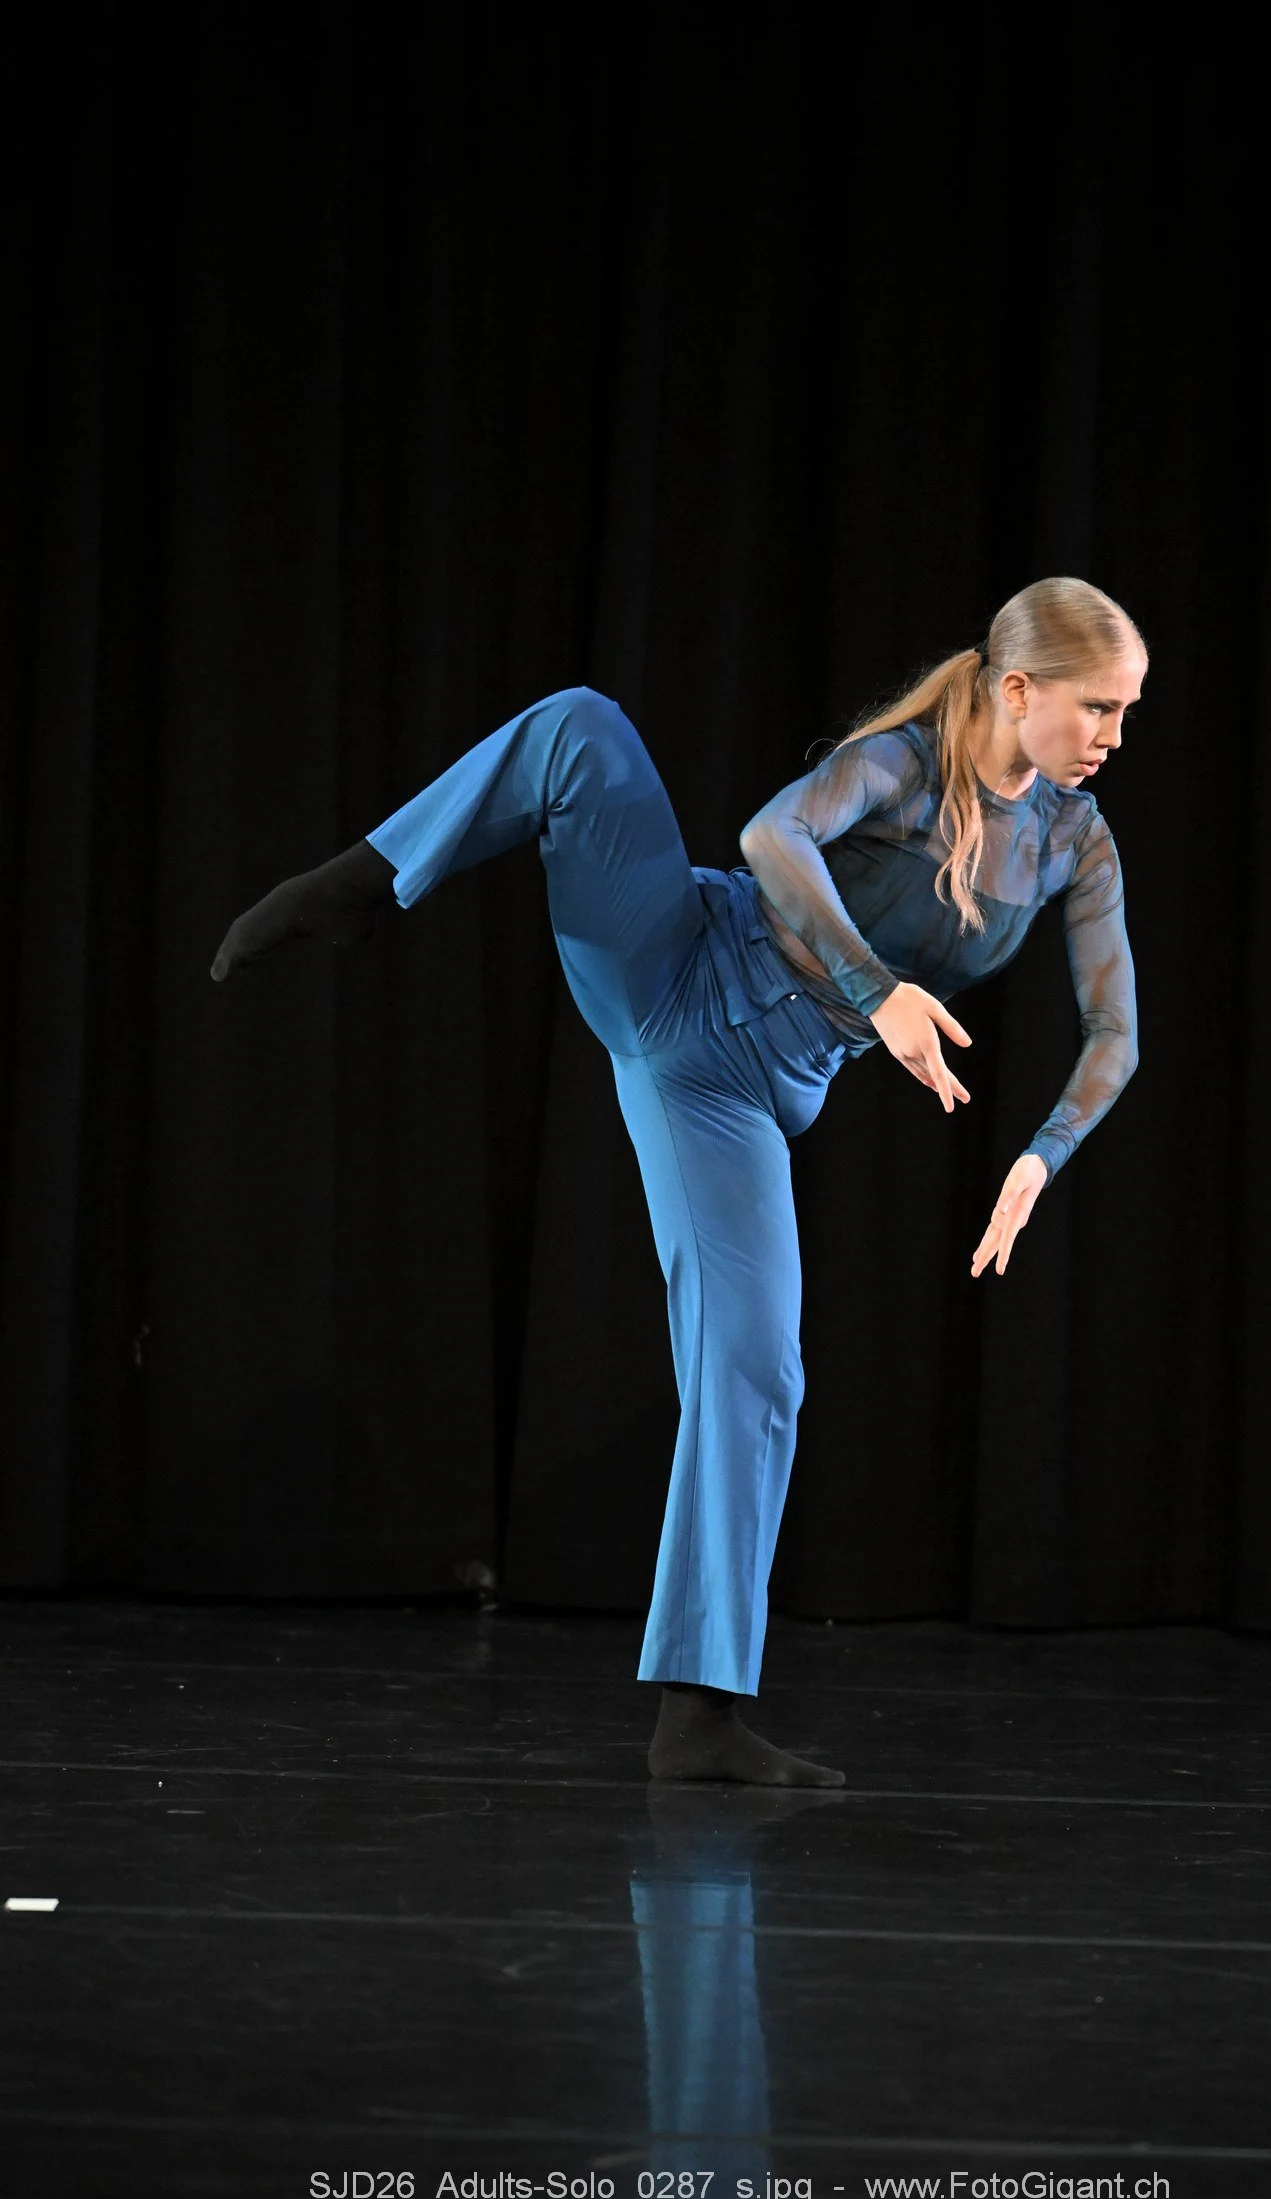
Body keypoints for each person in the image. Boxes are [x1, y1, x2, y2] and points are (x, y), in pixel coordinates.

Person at [210, 575, 1143, 1789]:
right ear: (1018, 689)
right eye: (1096, 706)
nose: (1112, 734)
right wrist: (879, 993)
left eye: (1124, 711)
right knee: (579, 726)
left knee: (757, 1367)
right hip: (670, 960)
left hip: (734, 1090)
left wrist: (1036, 1157)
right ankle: (357, 885)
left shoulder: (1070, 836)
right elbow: (769, 837)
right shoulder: (903, 764)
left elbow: (1113, 1032)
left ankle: (697, 1715)